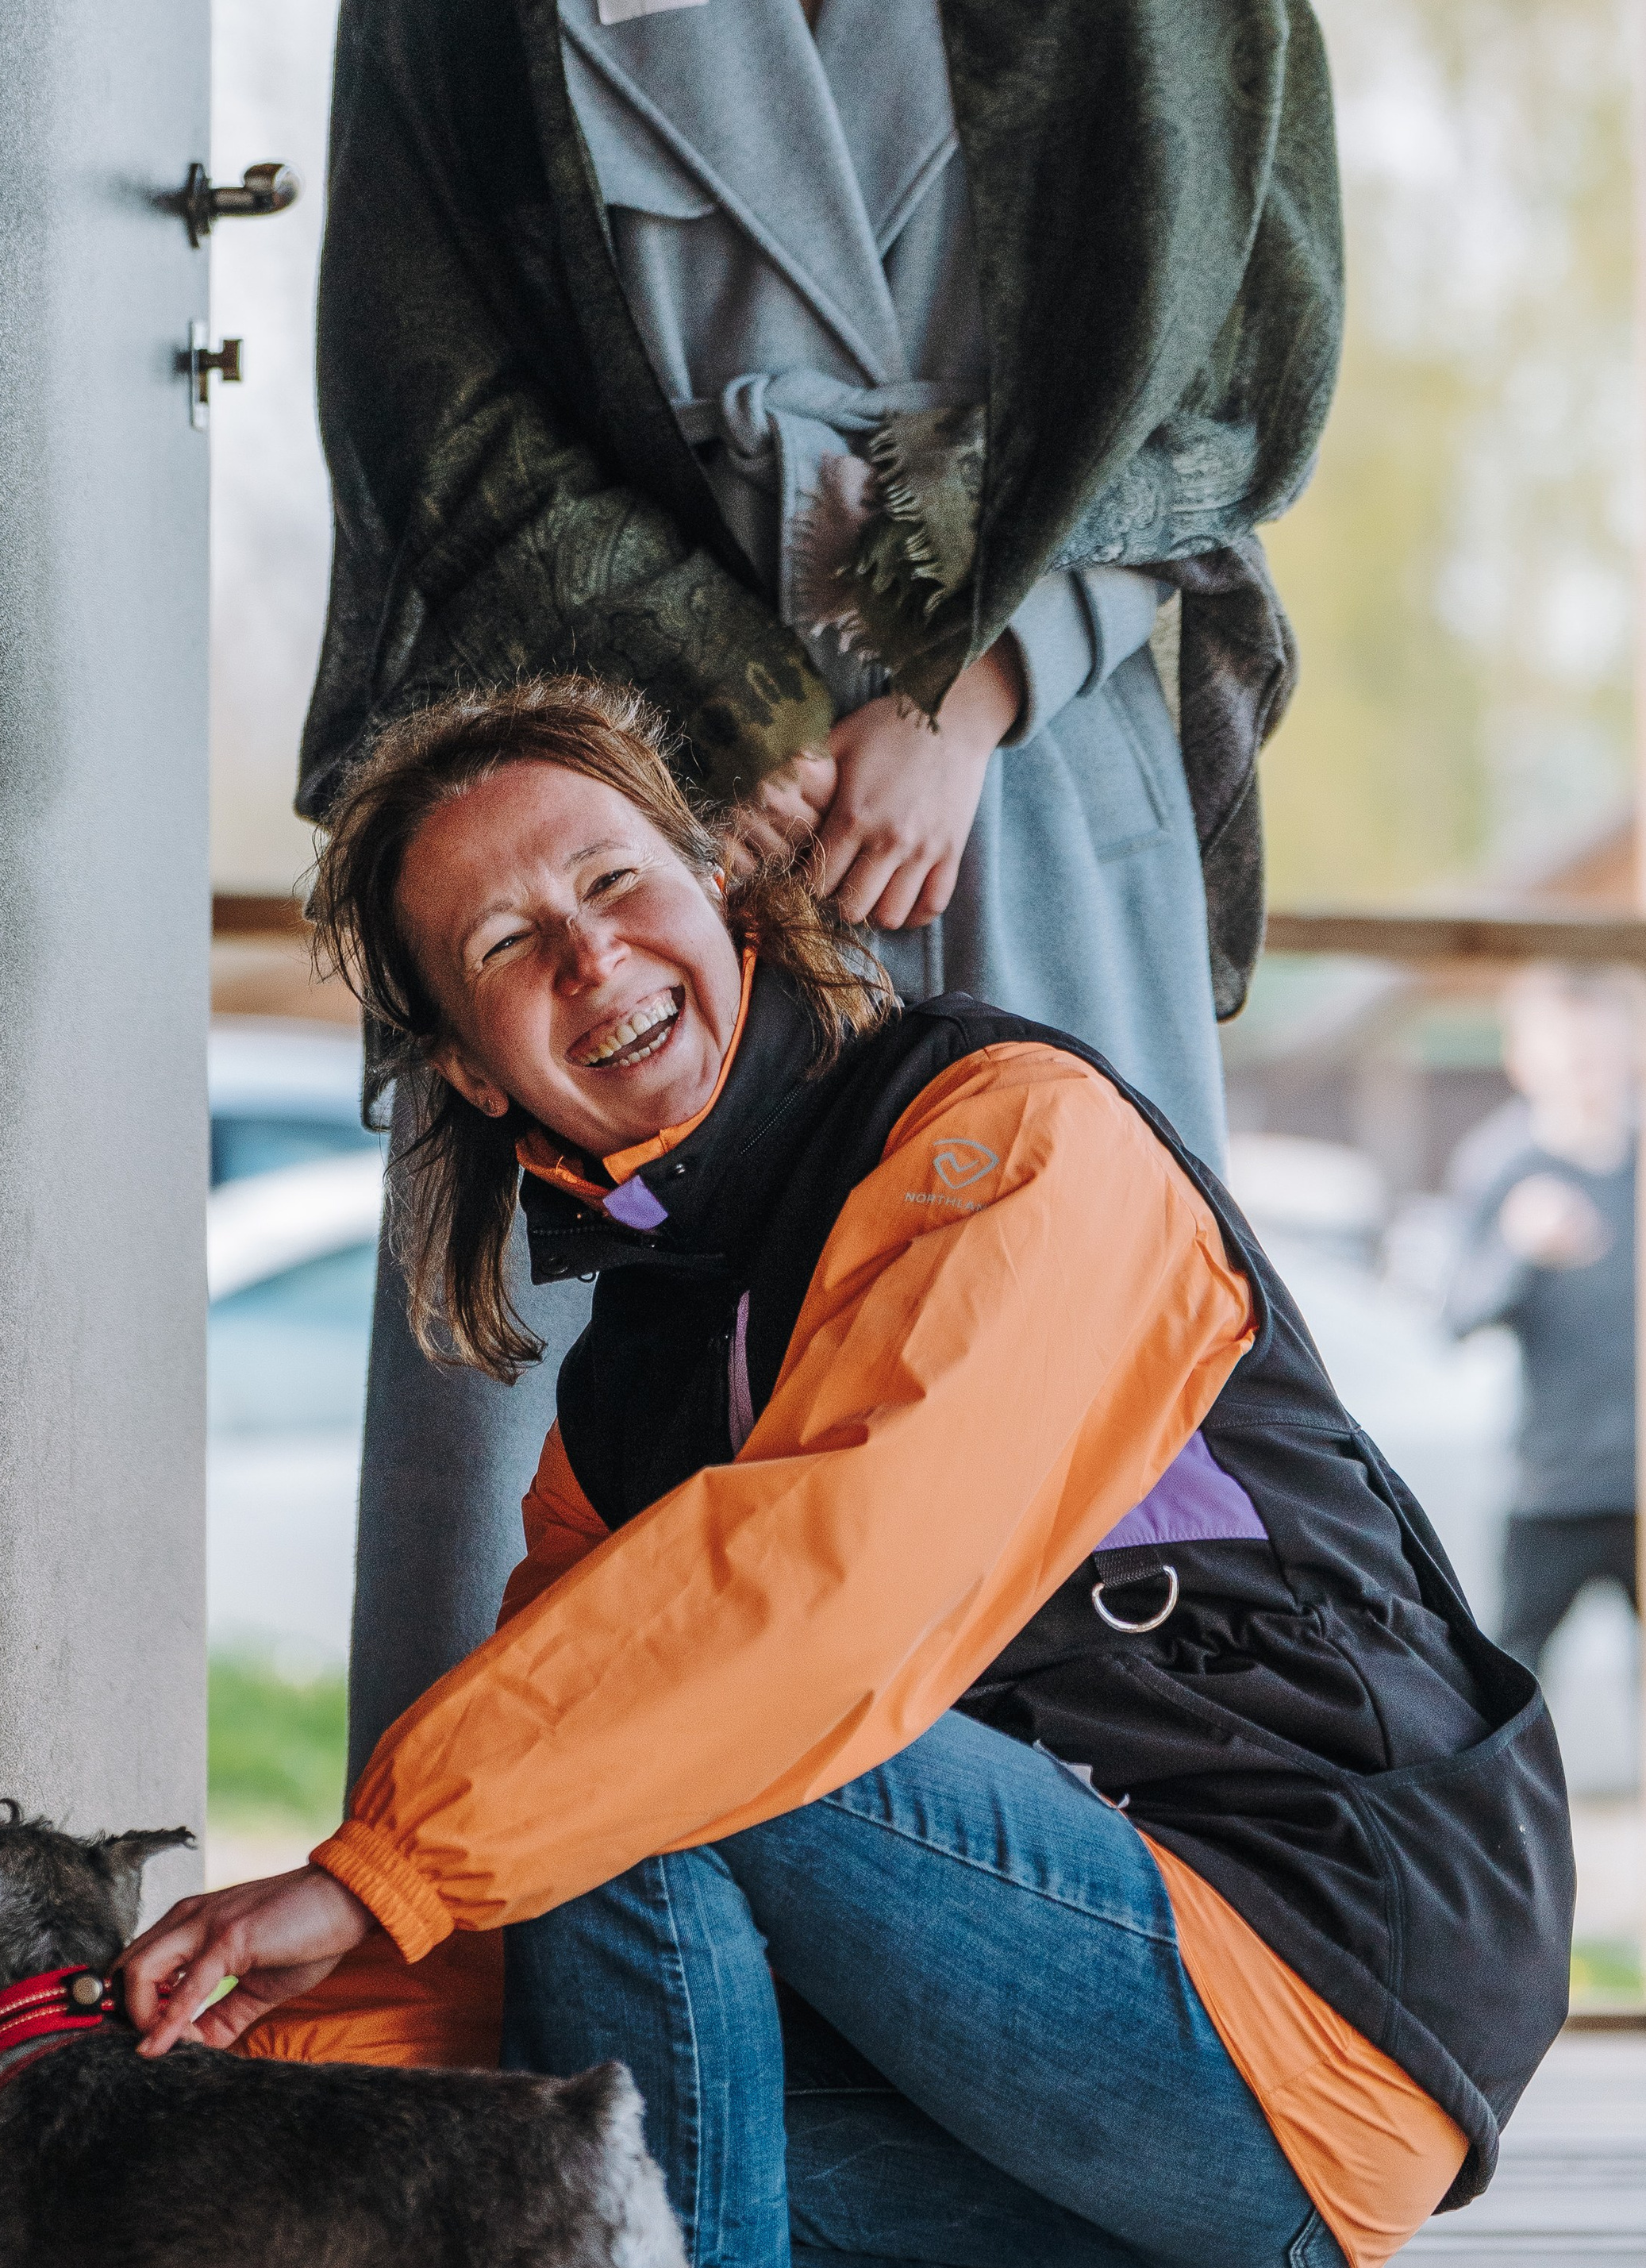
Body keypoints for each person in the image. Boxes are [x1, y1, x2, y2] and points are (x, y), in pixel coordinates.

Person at [124, 683, 1572, 2268]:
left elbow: (808, 1607)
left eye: (614, 883)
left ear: (720, 894)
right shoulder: (633, 1383)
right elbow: (549, 1930)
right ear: (465, 1058)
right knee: (473, 2149)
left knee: (641, 1736)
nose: (592, 959)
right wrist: (226, 2073)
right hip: (1032, 2032)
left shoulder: (1003, 1134)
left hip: (1306, 1981)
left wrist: (371, 1869)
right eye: (511, 944)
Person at [298, 0, 1344, 1764]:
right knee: (556, 1463)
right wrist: (717, 700)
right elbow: (425, 385)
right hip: (613, 751)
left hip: (1025, 745)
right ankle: (471, 1903)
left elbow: (1241, 356)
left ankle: (1064, 1909)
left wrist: (971, 678)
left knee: (1068, 1379)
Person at [1446, 966, 1638, 1678]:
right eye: (1571, 1057)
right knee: (1512, 1678)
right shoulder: (1504, 1167)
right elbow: (1457, 1316)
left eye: (1602, 1053)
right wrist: (1519, 1250)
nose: (1589, 1074)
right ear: (1524, 1062)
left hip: (1640, 1476)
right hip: (1554, 1482)